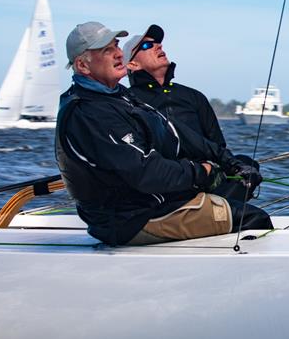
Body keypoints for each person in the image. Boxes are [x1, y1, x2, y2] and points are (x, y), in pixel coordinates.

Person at [56, 21, 245, 245]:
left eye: (116, 46)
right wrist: (201, 172)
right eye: (107, 50)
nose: (118, 54)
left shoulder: (119, 96)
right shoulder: (88, 111)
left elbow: (174, 133)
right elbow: (145, 172)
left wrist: (227, 161)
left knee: (240, 184)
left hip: (155, 202)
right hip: (132, 220)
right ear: (83, 66)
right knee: (251, 219)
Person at [123, 24, 272, 228]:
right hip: (165, 184)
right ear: (132, 65)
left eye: (159, 43)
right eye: (148, 45)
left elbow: (217, 144)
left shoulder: (193, 97)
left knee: (247, 164)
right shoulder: (128, 101)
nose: (158, 46)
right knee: (257, 218)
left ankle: (218, 213)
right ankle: (218, 216)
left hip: (204, 180)